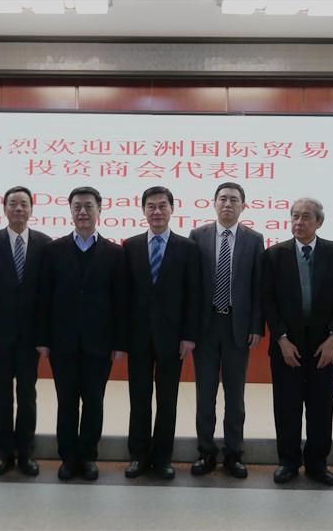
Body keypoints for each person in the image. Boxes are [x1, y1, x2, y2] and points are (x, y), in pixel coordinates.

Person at [36, 186, 128, 481]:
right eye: (77, 206)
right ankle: (67, 457)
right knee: (66, 402)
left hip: (99, 343)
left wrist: (119, 342)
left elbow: (120, 302)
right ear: (70, 211)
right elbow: (44, 298)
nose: (83, 212)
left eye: (89, 206)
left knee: (93, 401)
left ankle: (88, 457)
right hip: (62, 342)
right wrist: (43, 339)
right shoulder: (53, 250)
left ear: (100, 210)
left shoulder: (115, 253)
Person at [262, 198, 333, 486]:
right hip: (287, 345)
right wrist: (281, 339)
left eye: (306, 217)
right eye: (295, 216)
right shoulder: (274, 254)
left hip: (325, 345)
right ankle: (288, 461)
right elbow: (268, 301)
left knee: (321, 405)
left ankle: (316, 463)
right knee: (286, 405)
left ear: (319, 222)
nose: (299, 222)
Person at [0, 186, 51, 478]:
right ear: (4, 208)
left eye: (23, 204)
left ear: (31, 209)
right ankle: (3, 454)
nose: (18, 208)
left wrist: (45, 337)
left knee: (27, 396)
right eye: (13, 204)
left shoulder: (45, 244)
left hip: (31, 338)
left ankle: (26, 454)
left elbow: (47, 298)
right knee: (2, 396)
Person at [123, 186, 200, 480]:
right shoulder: (130, 246)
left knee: (168, 399)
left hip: (173, 338)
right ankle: (139, 456)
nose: (157, 212)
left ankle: (163, 457)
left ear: (172, 209)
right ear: (143, 210)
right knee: (139, 398)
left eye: (162, 206)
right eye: (151, 206)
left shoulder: (187, 247)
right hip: (138, 337)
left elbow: (193, 295)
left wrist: (189, 336)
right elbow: (123, 296)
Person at [188, 182, 264, 478]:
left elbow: (257, 287)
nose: (228, 204)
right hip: (206, 327)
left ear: (243, 205)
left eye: (234, 199)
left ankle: (234, 454)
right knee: (205, 395)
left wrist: (256, 326)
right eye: (223, 199)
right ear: (214, 203)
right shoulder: (198, 236)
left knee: (235, 396)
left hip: (237, 327)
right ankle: (206, 452)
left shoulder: (254, 239)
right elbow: (192, 285)